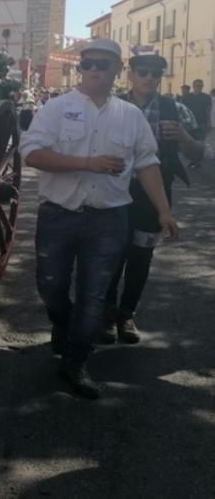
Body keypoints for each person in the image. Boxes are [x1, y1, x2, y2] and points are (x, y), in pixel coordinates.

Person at [20, 39, 178, 399]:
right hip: (58, 215)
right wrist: (86, 164)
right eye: (87, 63)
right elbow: (32, 154)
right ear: (80, 68)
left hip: (109, 219)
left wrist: (164, 210)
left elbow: (147, 163)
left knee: (94, 297)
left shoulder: (130, 115)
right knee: (51, 288)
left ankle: (76, 362)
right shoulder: (56, 108)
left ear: (117, 70)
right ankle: (64, 322)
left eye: (102, 64)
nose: (93, 69)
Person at [103, 55, 203, 344]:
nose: (150, 77)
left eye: (156, 73)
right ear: (130, 75)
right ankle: (107, 314)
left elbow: (199, 154)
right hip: (114, 190)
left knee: (141, 255)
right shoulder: (111, 106)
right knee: (111, 253)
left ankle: (126, 314)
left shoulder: (177, 109)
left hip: (154, 193)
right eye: (143, 72)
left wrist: (183, 138)